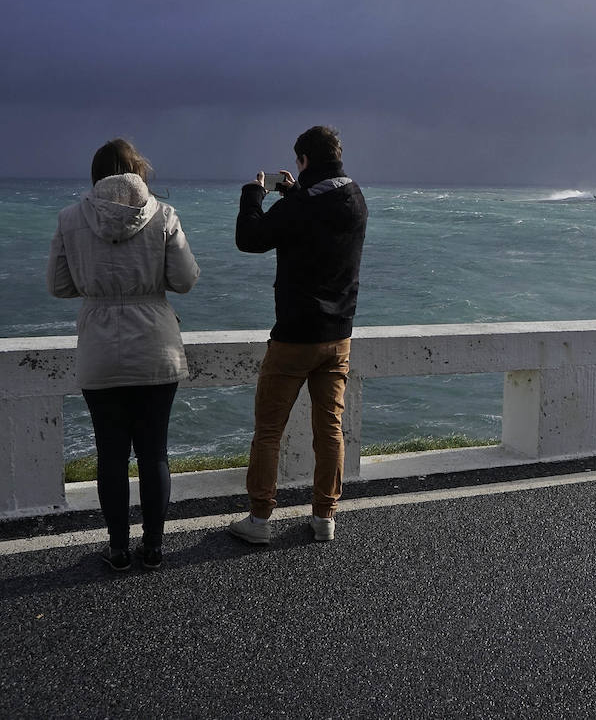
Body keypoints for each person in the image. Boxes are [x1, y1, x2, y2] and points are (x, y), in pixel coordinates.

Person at [48, 139, 199, 571]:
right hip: (155, 346)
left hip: (99, 348)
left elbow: (59, 285)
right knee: (154, 454)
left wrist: (98, 288)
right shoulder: (163, 215)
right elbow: (184, 280)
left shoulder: (70, 219)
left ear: (96, 174)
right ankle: (153, 548)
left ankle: (117, 550)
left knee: (111, 456)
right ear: (138, 171)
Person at [229, 125, 367, 544]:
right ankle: (325, 517)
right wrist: (295, 192)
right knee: (330, 428)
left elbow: (250, 238)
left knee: (269, 430)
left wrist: (254, 194)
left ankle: (259, 520)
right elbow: (317, 219)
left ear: (304, 160)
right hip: (338, 336)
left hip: (294, 336)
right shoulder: (356, 198)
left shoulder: (301, 205)